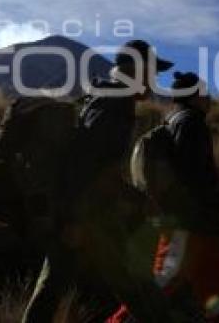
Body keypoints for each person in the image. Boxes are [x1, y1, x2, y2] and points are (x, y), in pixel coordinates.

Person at [23, 39, 176, 323]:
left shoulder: (103, 96)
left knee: (51, 290)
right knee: (140, 292)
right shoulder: (117, 103)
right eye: (152, 73)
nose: (154, 82)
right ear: (136, 70)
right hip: (92, 218)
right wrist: (141, 201)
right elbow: (90, 166)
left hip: (77, 215)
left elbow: (87, 162)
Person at [109, 71, 219, 323]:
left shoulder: (174, 122)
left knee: (217, 292)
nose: (209, 99)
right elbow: (191, 176)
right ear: (194, 96)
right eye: (205, 93)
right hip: (190, 228)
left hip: (193, 229)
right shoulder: (192, 123)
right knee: (162, 290)